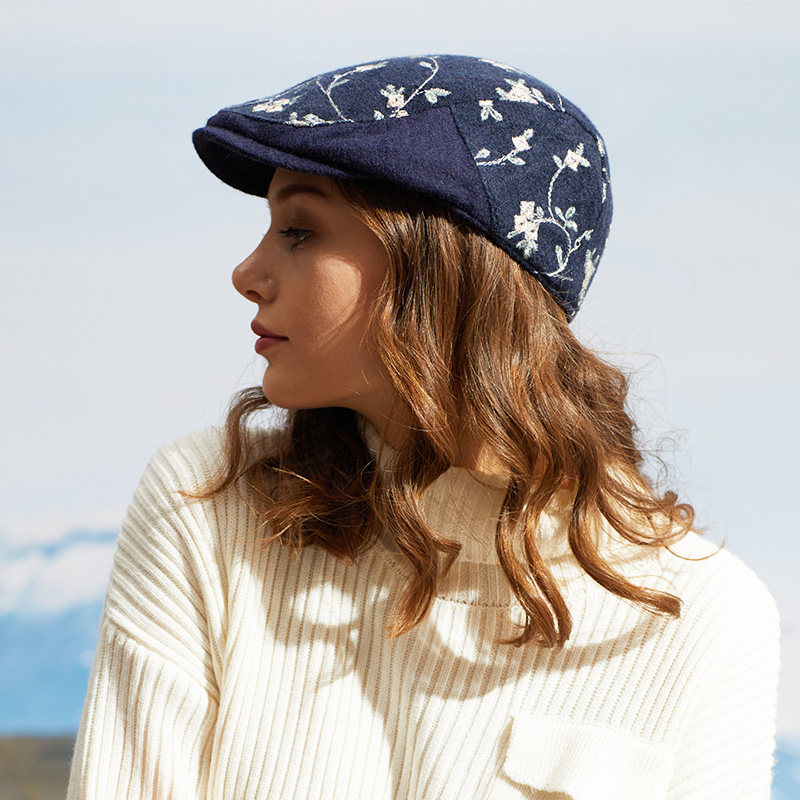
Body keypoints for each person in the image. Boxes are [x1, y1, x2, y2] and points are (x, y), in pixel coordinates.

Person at [66, 54, 780, 800]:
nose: (247, 273)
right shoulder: (210, 506)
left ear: (441, 267)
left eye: (299, 231)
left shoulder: (705, 618)